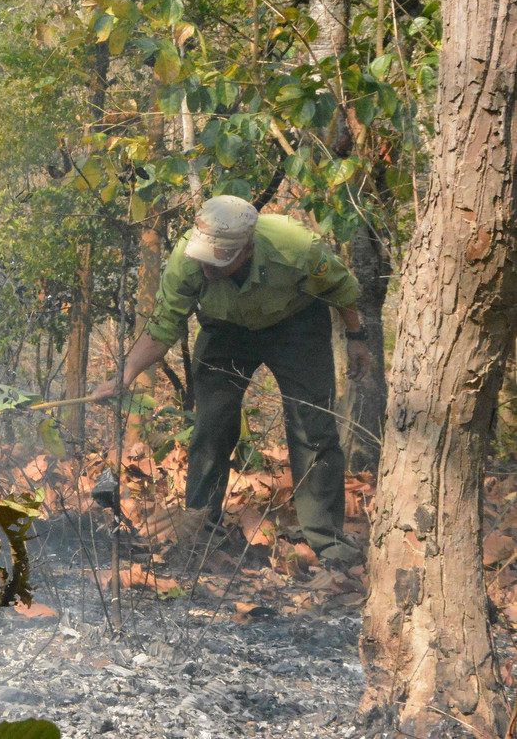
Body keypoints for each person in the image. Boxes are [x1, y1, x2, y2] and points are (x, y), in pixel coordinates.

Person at [91, 194, 372, 566]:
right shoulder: (186, 262)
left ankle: (327, 542)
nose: (207, 268)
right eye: (203, 258)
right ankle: (200, 527)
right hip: (225, 329)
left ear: (248, 248)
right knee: (212, 425)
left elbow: (342, 289)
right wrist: (126, 373)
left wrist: (355, 339)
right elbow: (162, 328)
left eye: (218, 260)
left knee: (312, 427)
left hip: (296, 324)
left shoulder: (297, 247)